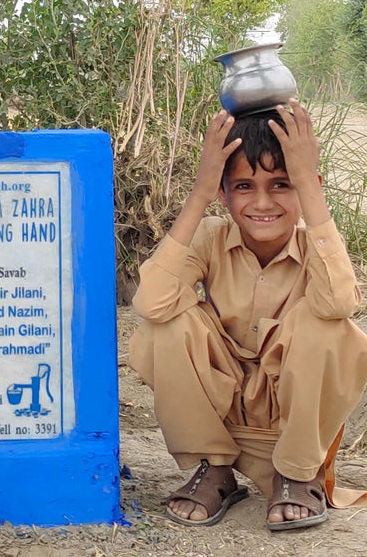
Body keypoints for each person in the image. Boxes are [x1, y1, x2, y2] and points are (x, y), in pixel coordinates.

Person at [129, 101, 367, 531]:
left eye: (281, 184)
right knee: (164, 326)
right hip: (224, 417)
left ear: (304, 187)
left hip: (288, 427)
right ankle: (214, 468)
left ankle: (296, 474)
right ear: (223, 193)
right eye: (243, 186)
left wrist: (309, 186)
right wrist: (200, 192)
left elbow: (339, 303)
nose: (262, 203)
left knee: (330, 327)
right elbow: (150, 302)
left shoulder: (316, 246)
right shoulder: (209, 238)